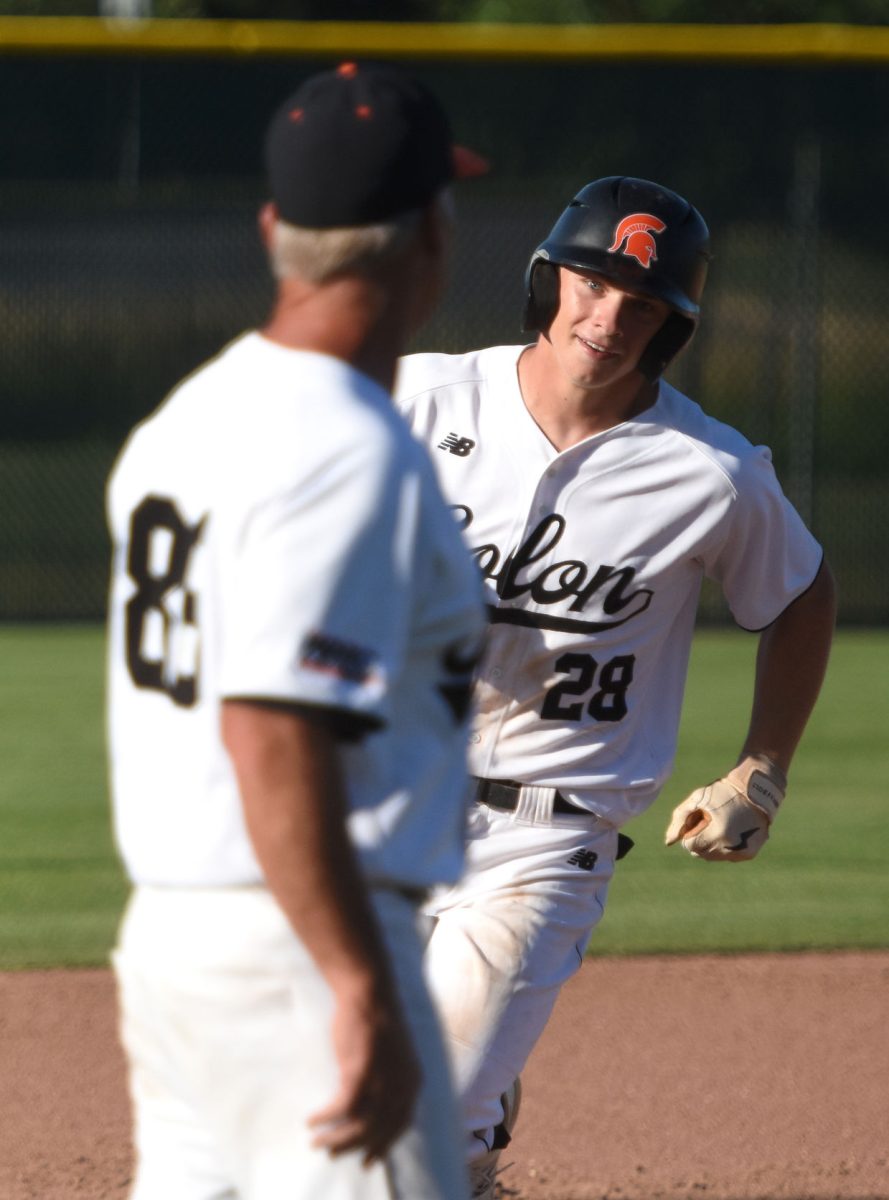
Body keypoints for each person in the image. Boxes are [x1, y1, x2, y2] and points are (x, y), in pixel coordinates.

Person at [394, 176, 836, 1198]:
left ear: (672, 326)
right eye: (592, 284)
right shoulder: (417, 398)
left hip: (545, 836)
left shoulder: (707, 471)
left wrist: (759, 770)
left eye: (644, 304)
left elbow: (804, 592)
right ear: (548, 281)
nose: (609, 317)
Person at [105, 61, 489, 1200]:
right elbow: (272, 728)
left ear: (277, 226)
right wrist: (358, 983)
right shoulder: (342, 446)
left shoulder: (190, 415)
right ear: (432, 228)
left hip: (174, 938)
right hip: (300, 939)